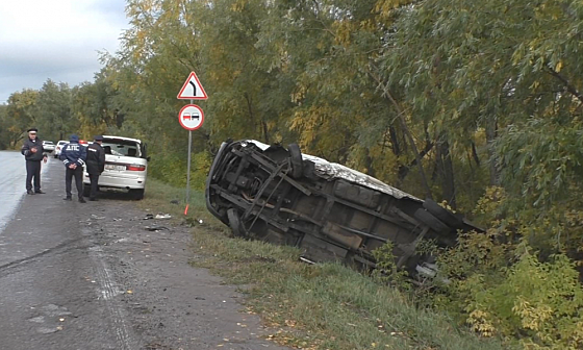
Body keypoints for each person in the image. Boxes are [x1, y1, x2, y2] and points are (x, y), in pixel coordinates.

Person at [59, 134, 87, 203]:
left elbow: (62, 156)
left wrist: (68, 164)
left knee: (68, 181)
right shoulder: (81, 147)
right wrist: (76, 164)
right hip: (78, 167)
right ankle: (80, 197)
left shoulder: (66, 147)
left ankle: (69, 196)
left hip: (69, 167)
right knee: (79, 182)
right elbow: (83, 156)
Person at [20, 128, 48, 195]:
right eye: (31, 134)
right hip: (30, 161)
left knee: (37, 175)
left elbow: (42, 150)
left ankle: (37, 189)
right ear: (29, 134)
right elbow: (23, 152)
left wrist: (44, 156)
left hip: (38, 161)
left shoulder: (39, 141)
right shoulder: (26, 142)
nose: (33, 136)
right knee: (30, 175)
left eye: (34, 134)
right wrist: (30, 151)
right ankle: (29, 189)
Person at [86, 135, 106, 201]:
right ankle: (92, 197)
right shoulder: (100, 149)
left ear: (94, 140)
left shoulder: (89, 147)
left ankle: (89, 194)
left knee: (91, 181)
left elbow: (85, 156)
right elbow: (101, 160)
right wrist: (101, 169)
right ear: (100, 141)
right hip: (96, 167)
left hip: (89, 166)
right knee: (94, 183)